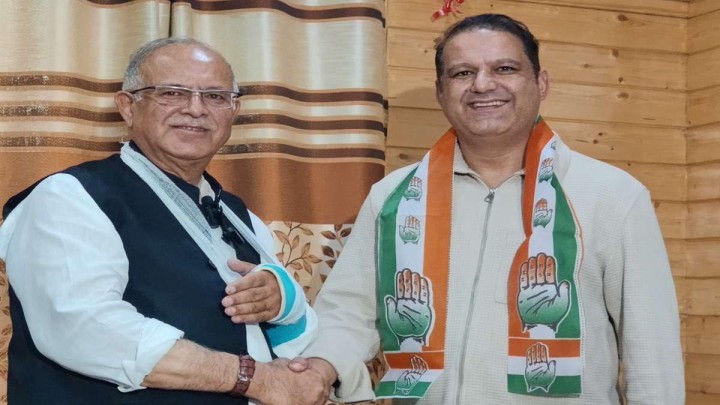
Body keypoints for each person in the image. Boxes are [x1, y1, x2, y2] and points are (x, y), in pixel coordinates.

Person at [291, 13, 685, 404]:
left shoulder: (613, 196)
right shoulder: (393, 197)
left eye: (505, 68)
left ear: (541, 83)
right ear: (441, 91)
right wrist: (320, 369)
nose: (482, 84)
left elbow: (652, 354)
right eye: (462, 73)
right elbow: (348, 312)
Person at [0, 37, 331, 405]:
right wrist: (251, 378)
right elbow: (83, 328)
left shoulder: (241, 217)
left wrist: (285, 305)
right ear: (128, 106)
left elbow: (293, 348)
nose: (196, 109)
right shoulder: (70, 197)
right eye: (172, 93)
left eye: (215, 96)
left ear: (233, 111)